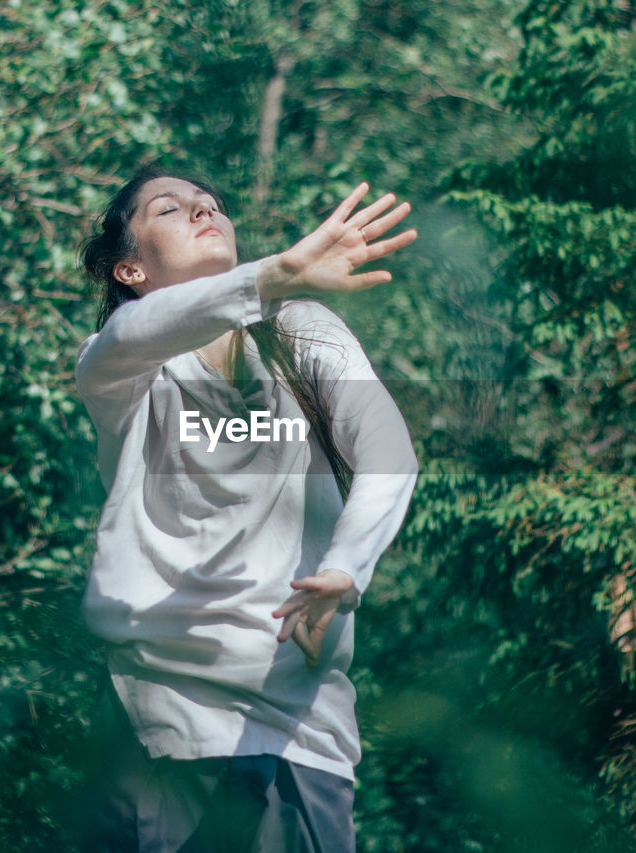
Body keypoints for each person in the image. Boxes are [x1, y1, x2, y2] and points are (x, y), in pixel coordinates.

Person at [71, 162, 420, 852]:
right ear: (129, 269)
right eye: (169, 210)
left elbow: (387, 449)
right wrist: (274, 275)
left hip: (305, 731)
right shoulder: (118, 366)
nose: (205, 212)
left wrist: (348, 569)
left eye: (212, 204)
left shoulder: (297, 332)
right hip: (165, 724)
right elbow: (136, 334)